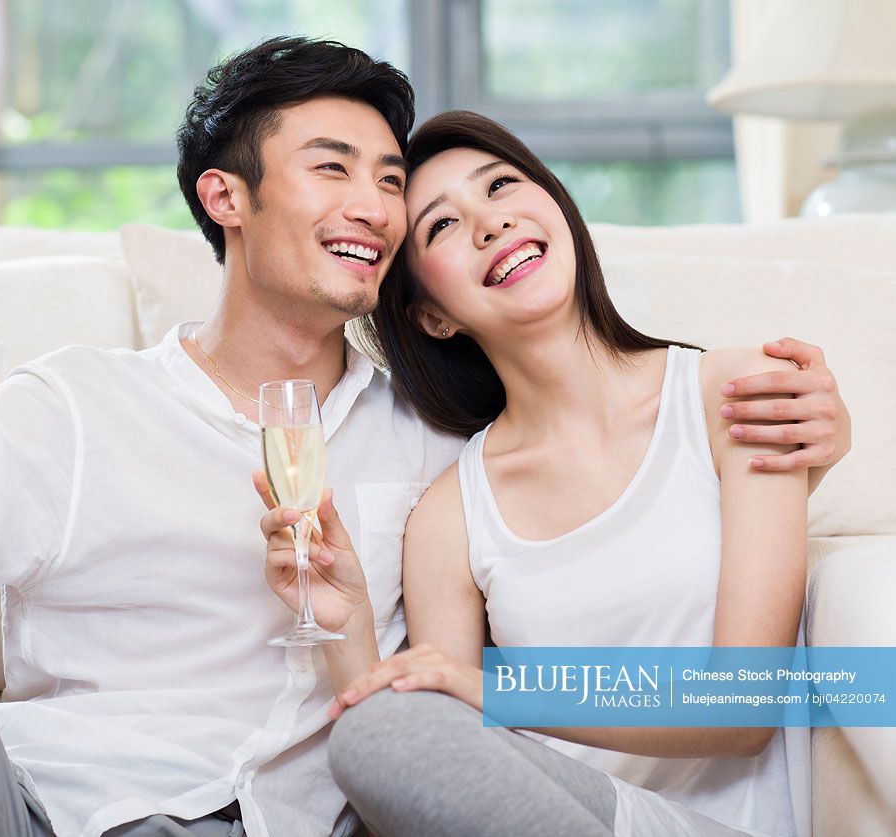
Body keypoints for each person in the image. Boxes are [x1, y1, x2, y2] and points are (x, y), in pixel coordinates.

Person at [0, 38, 846, 837]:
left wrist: (815, 453)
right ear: (226, 196)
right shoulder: (86, 408)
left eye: (390, 182)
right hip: (51, 804)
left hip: (310, 810)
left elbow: (417, 705)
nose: (374, 203)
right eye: (333, 169)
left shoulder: (433, 441)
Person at [255, 110, 839, 836]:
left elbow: (742, 708)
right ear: (431, 315)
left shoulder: (737, 392)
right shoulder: (449, 514)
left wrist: (494, 690)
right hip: (552, 813)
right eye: (441, 225)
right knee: (379, 736)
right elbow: (426, 741)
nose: (490, 223)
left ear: (556, 207)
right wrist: (343, 627)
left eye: (501, 186)